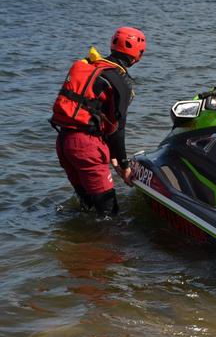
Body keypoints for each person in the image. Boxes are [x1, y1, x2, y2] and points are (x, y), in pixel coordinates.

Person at [51, 27, 146, 218]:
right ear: (137, 55)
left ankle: (81, 241)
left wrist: (111, 155)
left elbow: (90, 112)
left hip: (64, 141)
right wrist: (124, 164)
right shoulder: (120, 81)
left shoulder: (90, 66)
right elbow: (118, 129)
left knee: (87, 205)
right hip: (86, 146)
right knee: (108, 213)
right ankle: (103, 246)